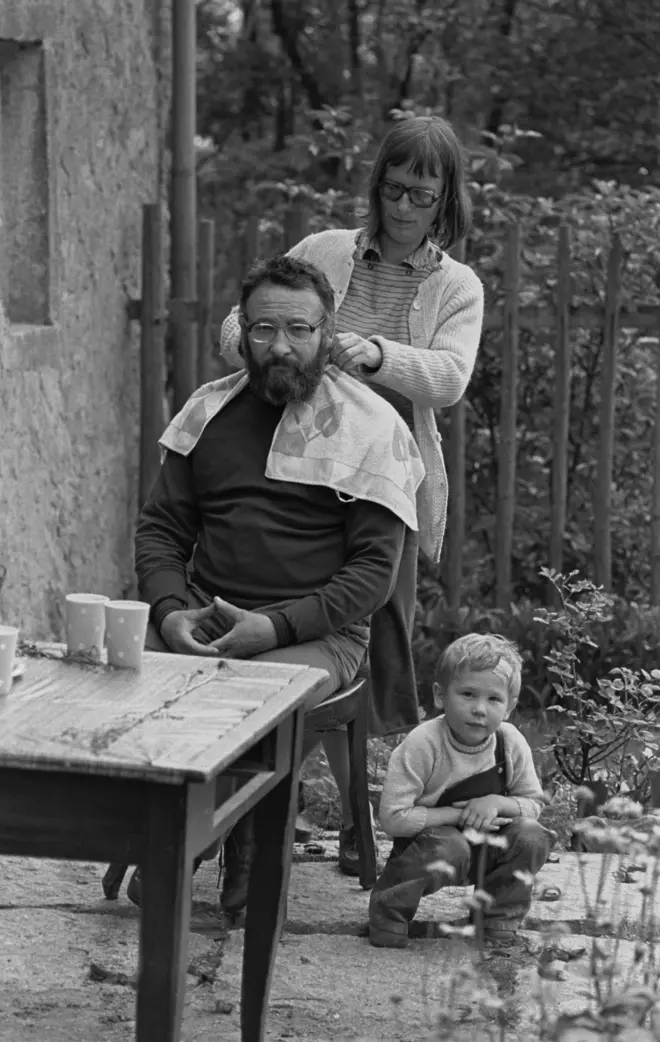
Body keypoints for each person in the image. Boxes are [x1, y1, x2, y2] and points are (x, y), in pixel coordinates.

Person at [220, 115, 485, 877]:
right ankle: (268, 805)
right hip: (290, 470)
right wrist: (279, 342)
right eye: (393, 189)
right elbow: (237, 329)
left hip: (384, 480)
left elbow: (450, 378)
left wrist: (372, 354)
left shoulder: (455, 284)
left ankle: (368, 813)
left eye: (421, 196)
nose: (402, 207)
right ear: (376, 186)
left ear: (446, 202)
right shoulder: (323, 252)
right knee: (277, 605)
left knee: (380, 631)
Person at [130, 253, 425, 914]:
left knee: (256, 698)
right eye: (264, 330)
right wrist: (173, 610)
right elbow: (160, 530)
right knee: (120, 675)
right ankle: (171, 834)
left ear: (327, 333)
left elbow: (374, 576)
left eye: (300, 330)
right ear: (243, 330)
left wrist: (275, 626)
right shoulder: (209, 413)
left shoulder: (373, 428)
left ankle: (224, 852)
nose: (281, 346)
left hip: (319, 631)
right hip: (203, 611)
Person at [368, 634, 554, 949]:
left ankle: (496, 915)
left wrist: (496, 803)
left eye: (494, 699)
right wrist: (459, 815)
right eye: (467, 694)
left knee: (532, 835)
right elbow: (393, 819)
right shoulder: (423, 744)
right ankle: (389, 910)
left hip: (489, 846)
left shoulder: (509, 742)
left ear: (509, 707)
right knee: (449, 847)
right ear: (440, 696)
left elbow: (534, 803)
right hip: (429, 849)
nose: (479, 709)